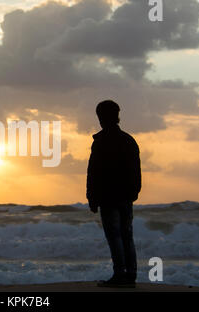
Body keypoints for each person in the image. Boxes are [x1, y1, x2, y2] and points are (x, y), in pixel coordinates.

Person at [86, 100, 141, 288]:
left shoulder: (101, 142)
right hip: (125, 196)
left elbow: (93, 172)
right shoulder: (128, 140)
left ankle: (120, 274)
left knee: (115, 236)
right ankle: (130, 274)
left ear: (102, 117)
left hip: (108, 196)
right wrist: (134, 193)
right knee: (126, 235)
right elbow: (136, 171)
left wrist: (92, 197)